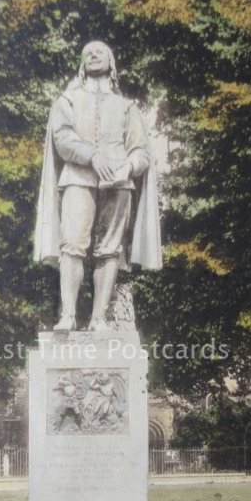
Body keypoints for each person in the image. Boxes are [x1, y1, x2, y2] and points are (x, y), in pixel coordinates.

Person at [34, 41, 162, 332]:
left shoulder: (126, 107)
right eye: (88, 52)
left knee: (110, 250)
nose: (93, 54)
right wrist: (92, 156)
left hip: (119, 184)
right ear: (81, 62)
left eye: (100, 51)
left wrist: (127, 167)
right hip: (78, 178)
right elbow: (62, 139)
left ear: (111, 63)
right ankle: (68, 315)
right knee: (72, 246)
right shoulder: (67, 100)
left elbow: (141, 151)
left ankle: (98, 318)